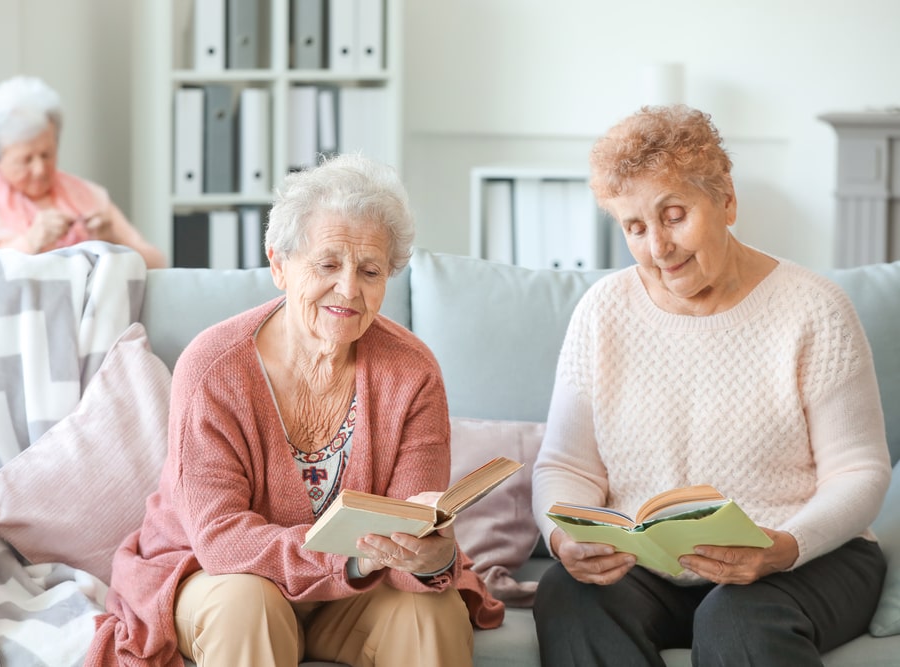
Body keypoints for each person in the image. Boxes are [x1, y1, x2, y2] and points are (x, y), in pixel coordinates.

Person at [87, 153, 503, 667]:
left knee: (432, 611)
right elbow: (221, 541)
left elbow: (411, 523)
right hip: (220, 579)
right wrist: (344, 562)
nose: (349, 289)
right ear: (279, 265)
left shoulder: (412, 372)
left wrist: (431, 556)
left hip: (355, 588)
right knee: (248, 605)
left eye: (370, 271)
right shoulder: (214, 369)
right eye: (328, 264)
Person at [531, 105, 891, 665]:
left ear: (726, 200)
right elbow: (566, 466)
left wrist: (784, 548)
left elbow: (860, 471)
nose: (657, 246)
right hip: (651, 569)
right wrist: (565, 540)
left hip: (805, 558)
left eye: (673, 215)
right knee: (568, 592)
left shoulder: (815, 309)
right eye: (635, 227)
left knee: (735, 616)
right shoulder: (602, 312)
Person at [0, 75, 165, 268]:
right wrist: (28, 243)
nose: (39, 169)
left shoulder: (88, 196)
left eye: (47, 154)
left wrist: (114, 242)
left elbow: (159, 265)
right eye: (25, 160)